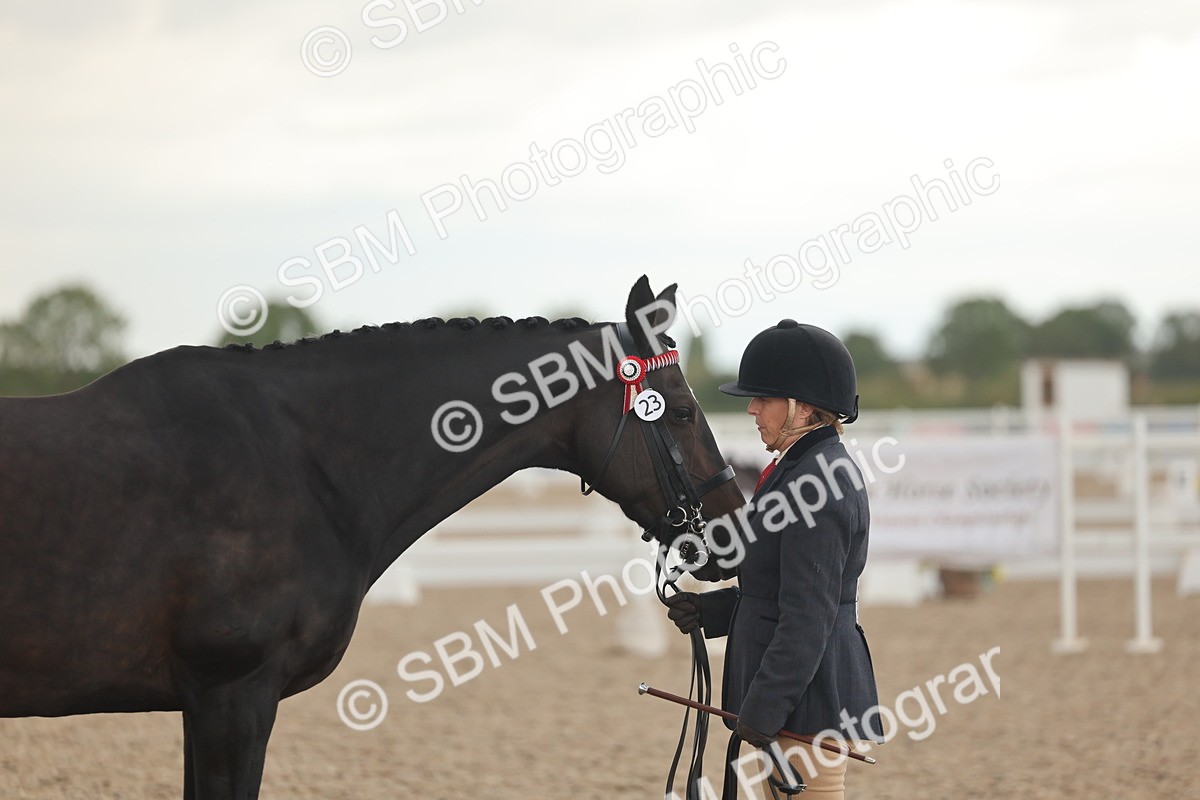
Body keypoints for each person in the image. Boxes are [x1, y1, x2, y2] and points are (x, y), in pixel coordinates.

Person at [665, 319, 883, 799]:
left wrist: (763, 710)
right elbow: (781, 588)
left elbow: (808, 614)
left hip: (807, 700)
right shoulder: (798, 469)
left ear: (803, 407)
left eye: (763, 398)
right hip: (794, 695)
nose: (752, 408)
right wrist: (713, 611)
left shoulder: (819, 484)